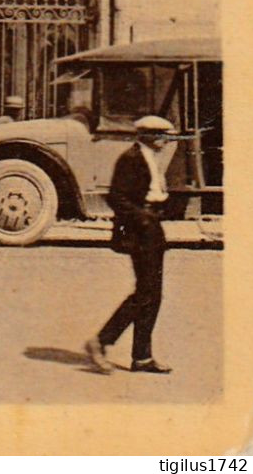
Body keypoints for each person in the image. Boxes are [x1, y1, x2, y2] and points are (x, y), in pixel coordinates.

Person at [85, 116, 179, 375]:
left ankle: (142, 357)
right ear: (147, 135)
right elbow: (116, 196)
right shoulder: (132, 158)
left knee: (153, 294)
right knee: (145, 293)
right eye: (161, 135)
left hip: (152, 227)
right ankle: (100, 341)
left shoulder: (149, 157)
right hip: (141, 230)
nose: (165, 139)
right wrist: (143, 219)